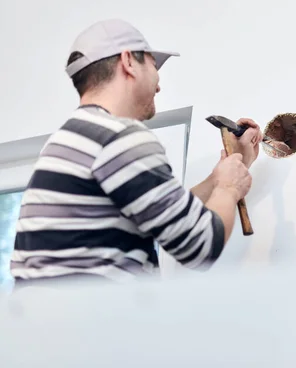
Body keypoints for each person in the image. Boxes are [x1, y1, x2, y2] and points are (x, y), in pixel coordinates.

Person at [9, 19, 262, 287]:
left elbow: (165, 210)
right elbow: (200, 245)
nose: (159, 85)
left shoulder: (68, 141)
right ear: (128, 61)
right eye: (154, 66)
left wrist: (221, 177)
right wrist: (228, 189)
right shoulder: (118, 137)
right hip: (87, 324)